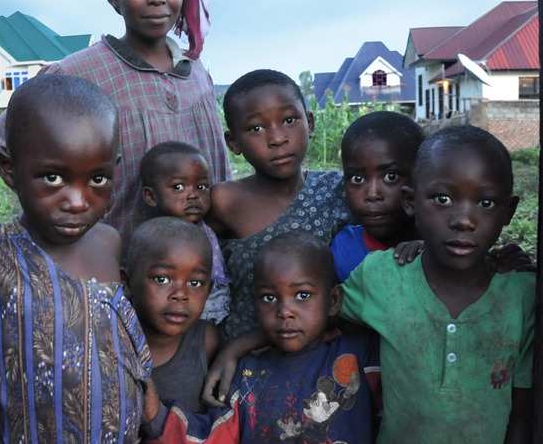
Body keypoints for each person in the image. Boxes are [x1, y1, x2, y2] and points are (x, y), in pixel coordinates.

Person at [0, 0, 230, 244]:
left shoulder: (196, 74)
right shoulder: (78, 72)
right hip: (114, 266)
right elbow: (3, 136)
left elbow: (219, 169)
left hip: (194, 267)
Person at [0, 75, 152, 442]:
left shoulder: (109, 242)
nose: (77, 201)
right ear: (9, 169)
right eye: (53, 178)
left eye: (98, 179)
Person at [341, 125, 535, 443]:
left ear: (508, 211)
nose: (463, 220)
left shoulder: (523, 296)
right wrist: (242, 345)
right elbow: (313, 309)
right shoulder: (382, 276)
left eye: (485, 204)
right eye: (442, 199)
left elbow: (522, 413)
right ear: (410, 202)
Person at [142, 232, 375, 443]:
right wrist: (157, 415)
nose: (285, 311)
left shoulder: (360, 353)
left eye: (302, 295)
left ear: (333, 300)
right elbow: (214, 437)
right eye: (269, 298)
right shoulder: (247, 374)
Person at [209, 69, 349, 342]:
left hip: (323, 361)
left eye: (288, 120)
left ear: (309, 122)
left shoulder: (338, 190)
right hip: (244, 364)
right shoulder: (224, 201)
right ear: (233, 142)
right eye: (256, 128)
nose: (277, 138)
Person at [125, 217, 219, 414]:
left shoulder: (207, 342)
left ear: (209, 290)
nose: (180, 295)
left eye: (195, 283)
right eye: (162, 279)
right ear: (126, 281)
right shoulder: (112, 339)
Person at [139, 142, 229, 324]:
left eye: (202, 187)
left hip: (220, 309)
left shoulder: (208, 227)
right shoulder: (154, 237)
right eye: (179, 187)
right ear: (151, 196)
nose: (193, 195)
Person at [331, 111, 424, 282]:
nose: (372, 194)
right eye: (357, 179)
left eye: (391, 177)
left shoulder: (444, 247)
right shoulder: (341, 251)